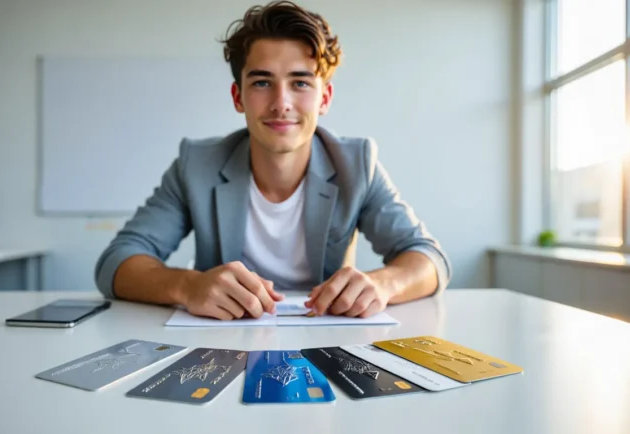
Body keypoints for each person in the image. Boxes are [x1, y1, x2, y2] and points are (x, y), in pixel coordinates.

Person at [94, 0, 451, 320]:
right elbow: (117, 262)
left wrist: (383, 284)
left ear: (324, 98)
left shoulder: (357, 164)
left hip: (325, 341)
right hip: (222, 342)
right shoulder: (197, 165)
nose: (282, 102)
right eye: (262, 83)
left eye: (300, 83)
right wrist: (188, 286)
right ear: (238, 97)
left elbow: (430, 260)